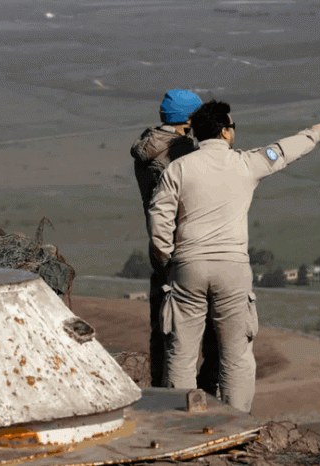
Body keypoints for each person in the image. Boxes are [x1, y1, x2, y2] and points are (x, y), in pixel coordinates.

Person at [148, 100, 320, 412]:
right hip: (232, 270)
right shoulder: (246, 163)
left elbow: (159, 217)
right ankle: (235, 420)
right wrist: (311, 135)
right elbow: (280, 152)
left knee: (181, 352)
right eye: (232, 126)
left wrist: (168, 257)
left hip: (188, 266)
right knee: (235, 354)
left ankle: (179, 420)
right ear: (224, 132)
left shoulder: (178, 168)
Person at [129, 89, 219, 393]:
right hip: (188, 253)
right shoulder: (178, 154)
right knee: (206, 336)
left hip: (161, 253)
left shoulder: (149, 146)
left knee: (165, 333)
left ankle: (162, 396)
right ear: (189, 120)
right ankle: (201, 401)